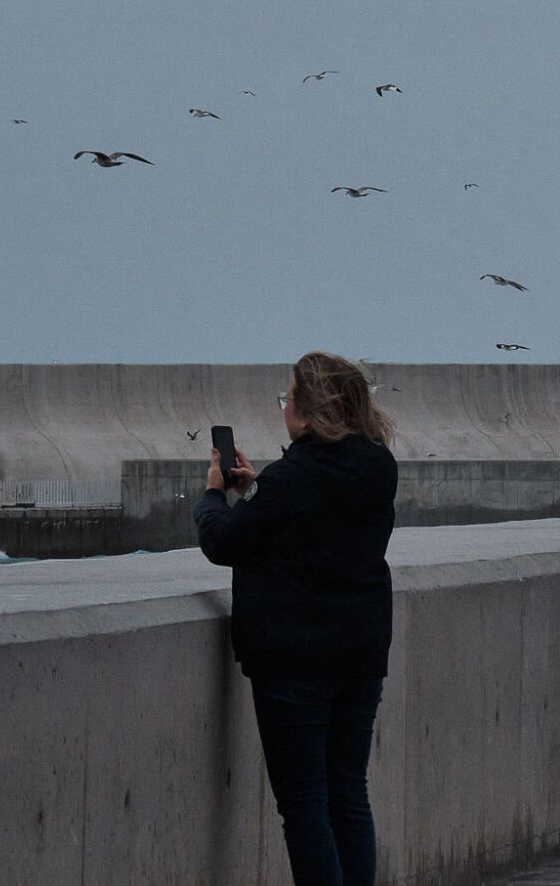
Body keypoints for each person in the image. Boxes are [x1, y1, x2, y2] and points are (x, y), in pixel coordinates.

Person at [197, 352, 399, 886]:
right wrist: (260, 488)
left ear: (309, 413)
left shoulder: (292, 480)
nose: (284, 406)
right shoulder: (379, 467)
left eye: (288, 398)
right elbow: (315, 517)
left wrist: (215, 496)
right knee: (347, 791)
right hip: (360, 654)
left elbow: (223, 542)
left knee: (306, 804)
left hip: (294, 661)